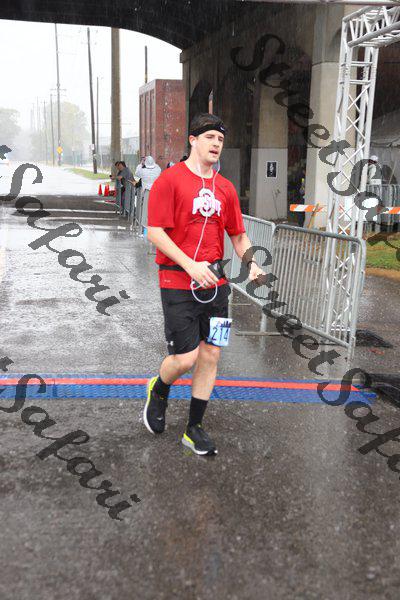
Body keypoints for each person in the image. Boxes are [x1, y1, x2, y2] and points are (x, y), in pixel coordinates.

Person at [143, 113, 265, 455]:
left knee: (211, 354)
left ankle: (193, 427)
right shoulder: (170, 181)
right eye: (210, 137)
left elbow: (238, 236)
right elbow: (155, 232)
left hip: (216, 286)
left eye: (220, 139)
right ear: (193, 140)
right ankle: (159, 389)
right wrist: (190, 265)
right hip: (177, 281)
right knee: (185, 358)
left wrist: (252, 263)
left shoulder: (225, 188)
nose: (216, 144)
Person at [136, 156, 161, 229]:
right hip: (156, 192)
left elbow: (137, 173)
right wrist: (151, 160)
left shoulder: (143, 171)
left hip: (147, 192)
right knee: (155, 210)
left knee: (145, 210)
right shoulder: (157, 170)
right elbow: (157, 167)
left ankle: (145, 226)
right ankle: (154, 225)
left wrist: (141, 163)